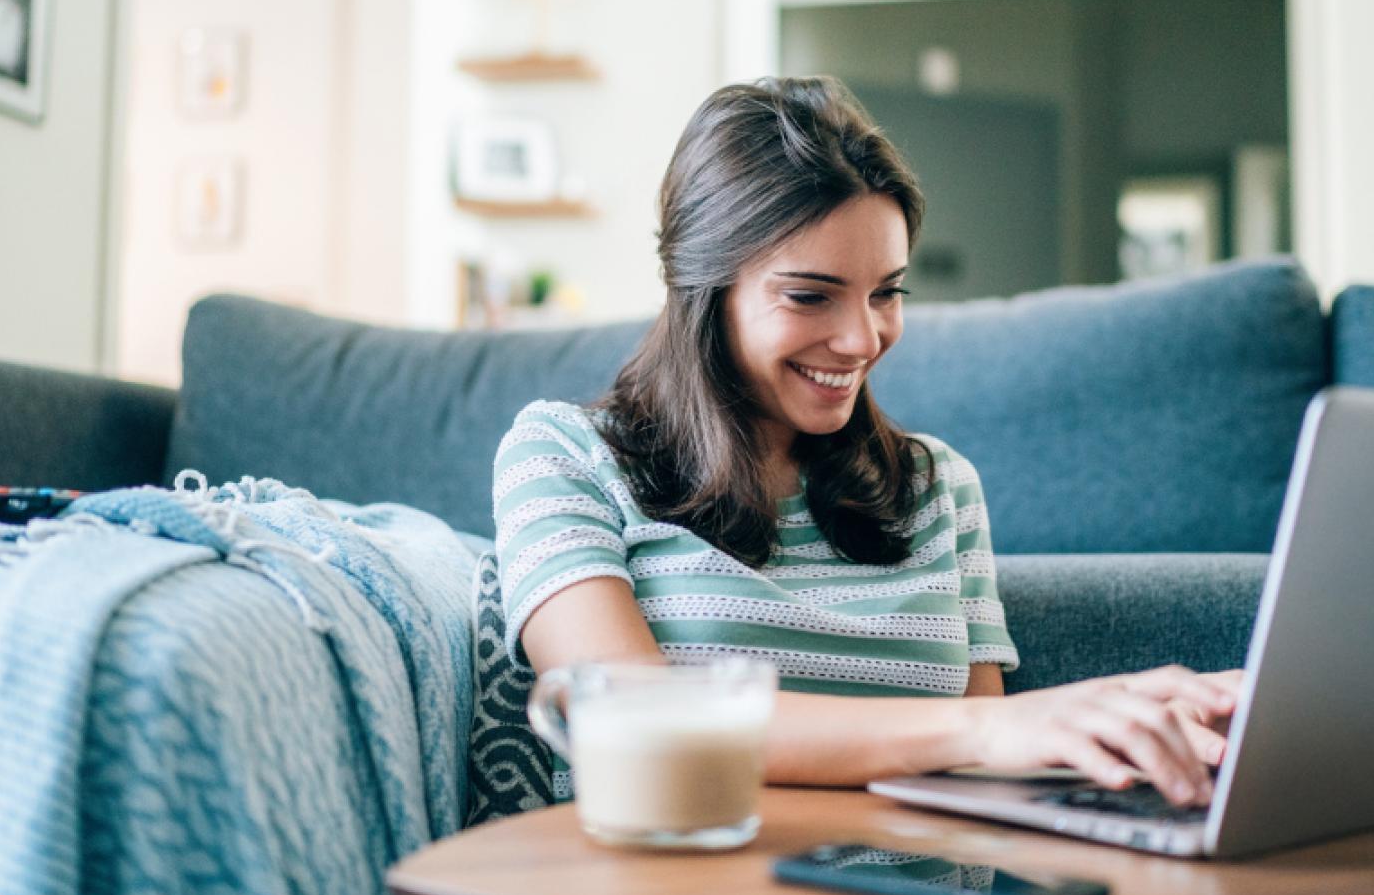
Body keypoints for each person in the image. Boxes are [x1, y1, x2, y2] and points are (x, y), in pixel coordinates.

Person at [492, 76, 1237, 808]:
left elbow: (987, 779)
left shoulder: (938, 486)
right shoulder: (563, 456)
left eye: (887, 292)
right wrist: (986, 726)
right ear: (702, 287)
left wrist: (1129, 732)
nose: (861, 338)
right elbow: (626, 722)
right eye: (811, 295)